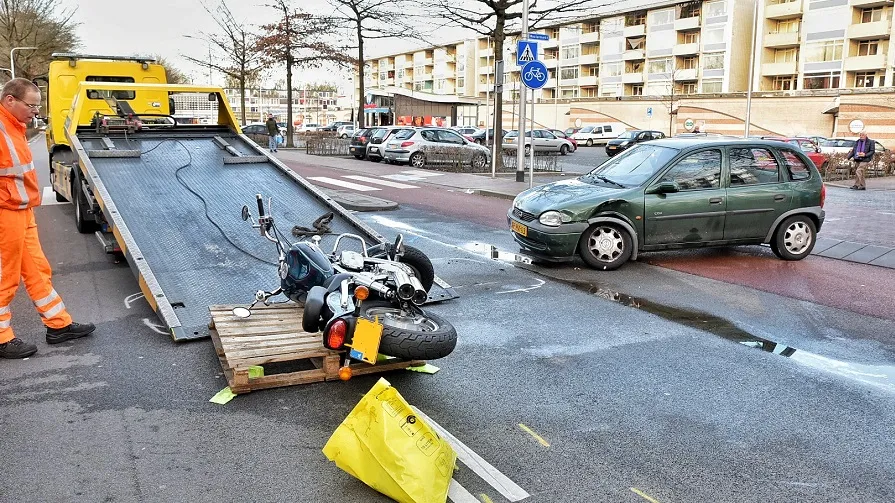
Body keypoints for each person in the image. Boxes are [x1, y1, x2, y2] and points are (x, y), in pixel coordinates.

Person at [0, 78, 95, 359]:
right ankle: (2, 338)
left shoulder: (14, 128)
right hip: (6, 213)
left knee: (38, 270)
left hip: (21, 211)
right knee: (5, 277)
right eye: (31, 106)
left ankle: (58, 325)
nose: (35, 112)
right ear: (10, 100)